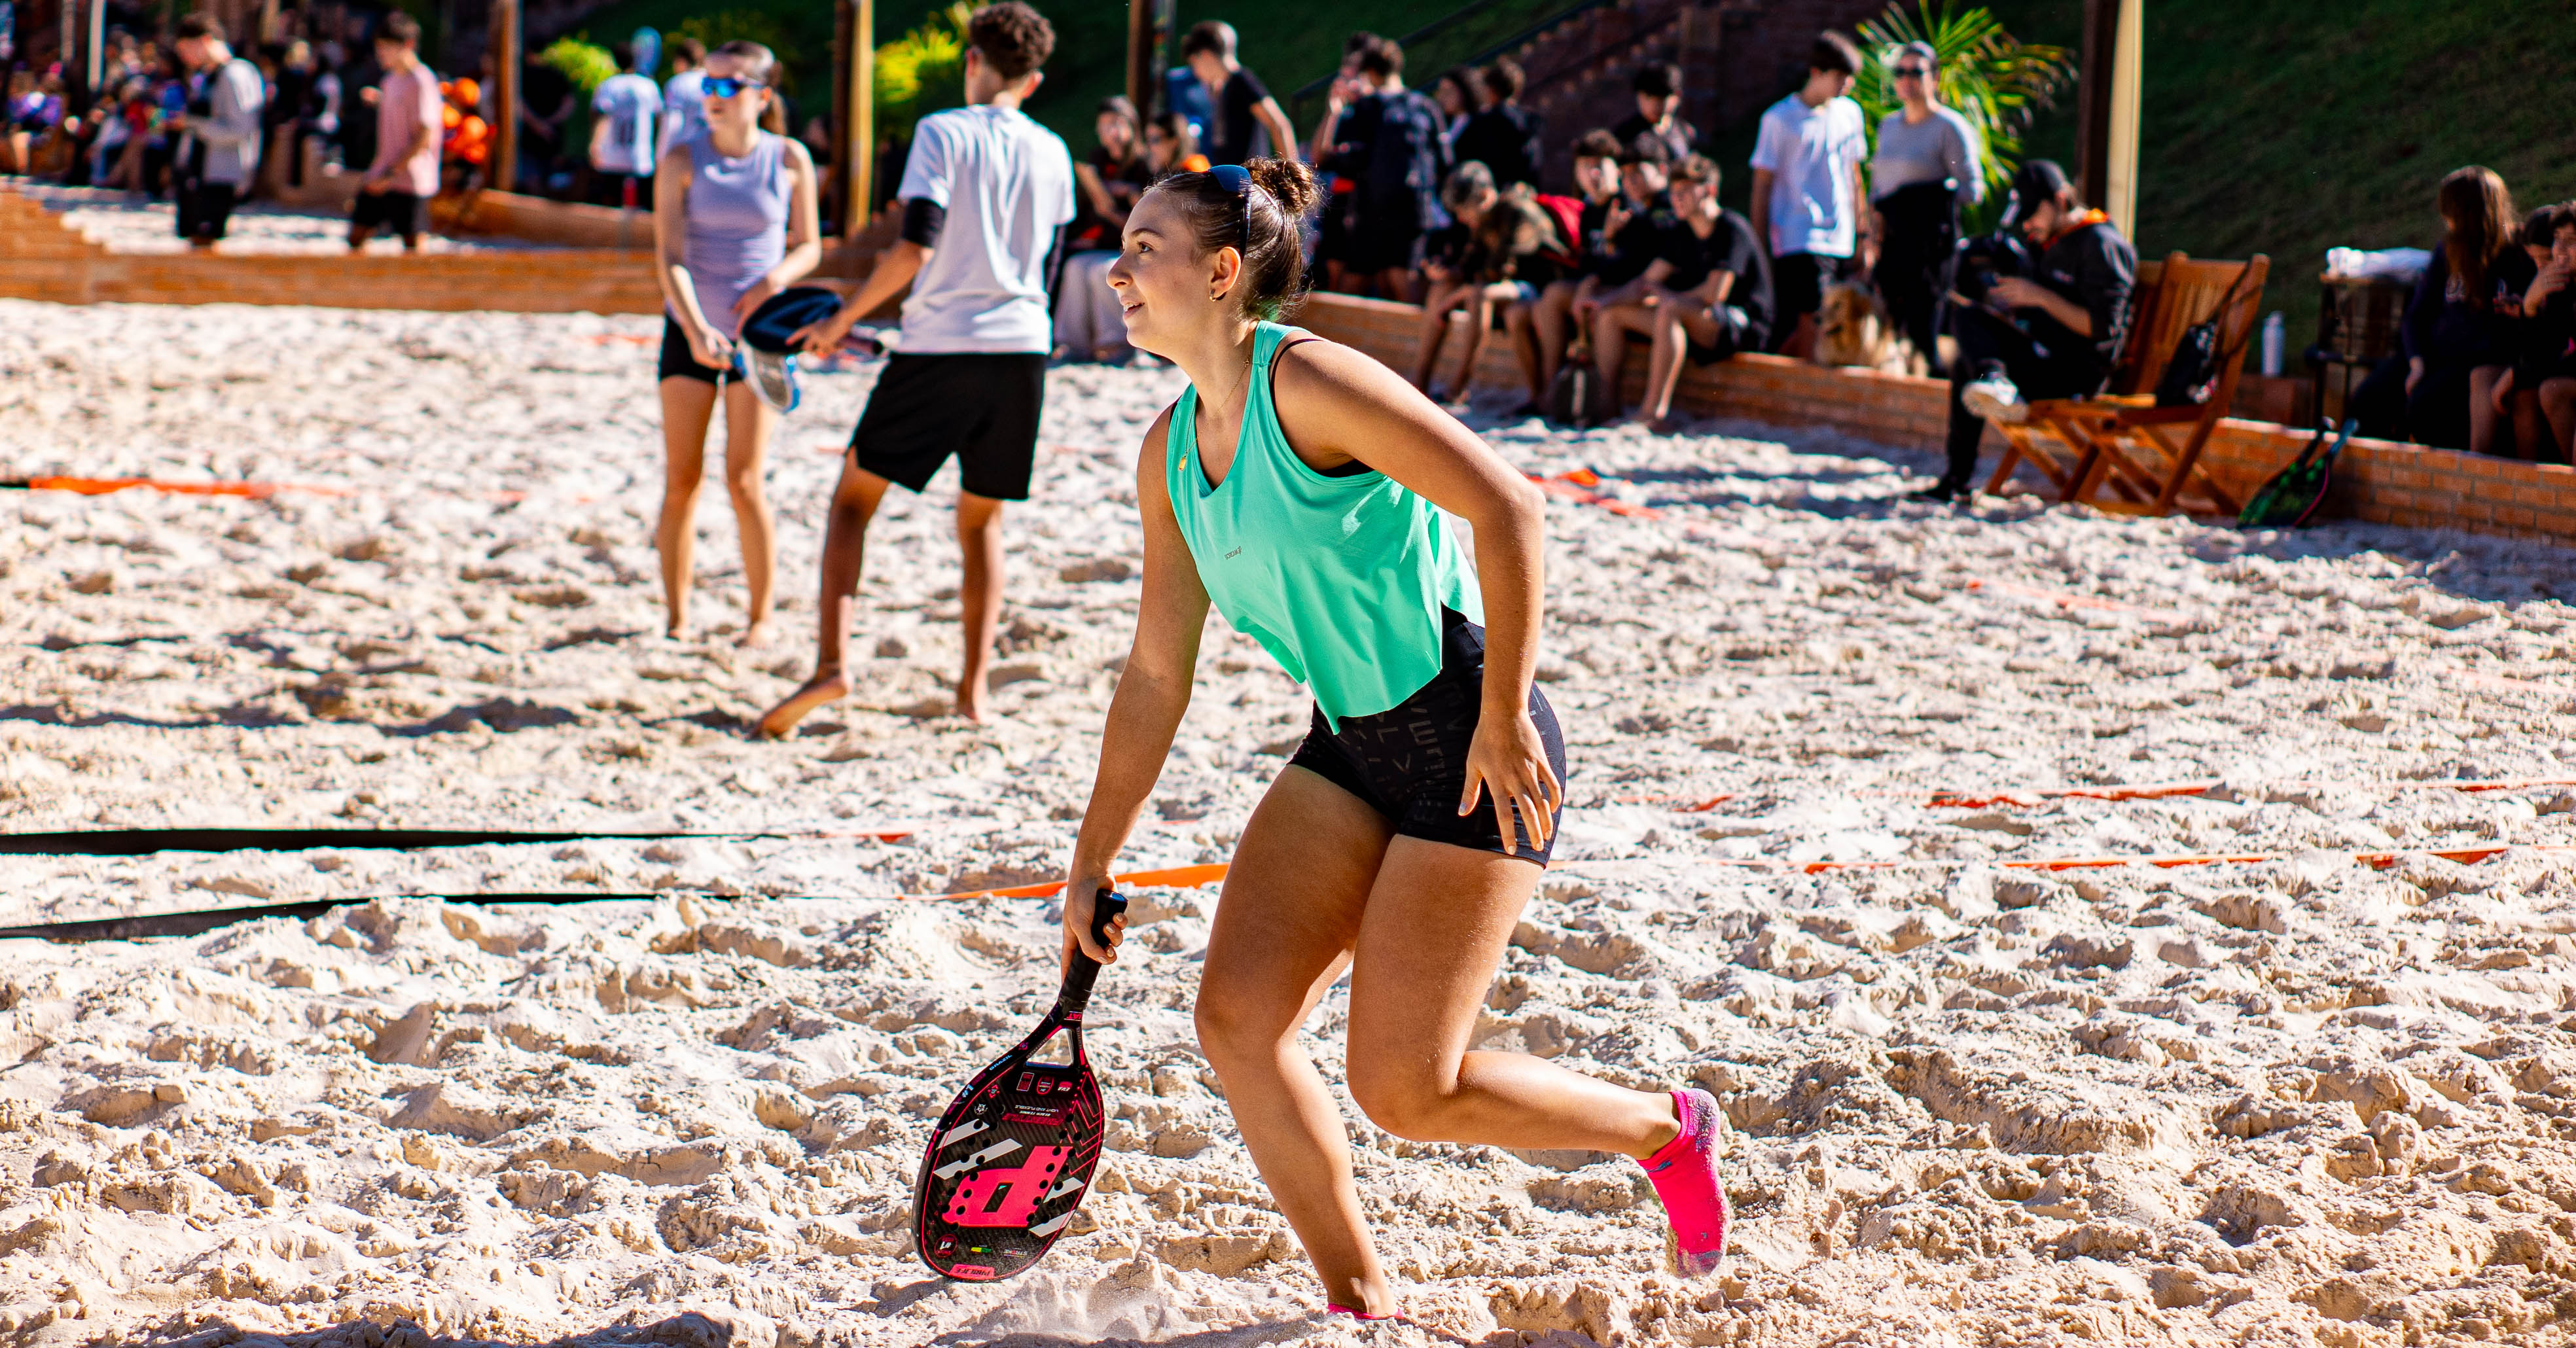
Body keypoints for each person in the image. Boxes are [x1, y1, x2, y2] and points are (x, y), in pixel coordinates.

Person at [1065, 155, 1732, 1320]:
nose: (1116, 273)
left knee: (1408, 1091)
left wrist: (1506, 713)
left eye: (1143, 250)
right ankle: (1359, 1305)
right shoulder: (1168, 453)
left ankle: (1665, 1131)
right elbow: (1157, 671)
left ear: (1221, 274)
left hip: (1473, 737)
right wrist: (1093, 856)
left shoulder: (1310, 382)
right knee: (1236, 1023)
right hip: (1350, 747)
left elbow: (1509, 507)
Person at [759, 2, 1074, 735]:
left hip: (941, 343)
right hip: (1023, 347)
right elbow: (1050, 263)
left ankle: (832, 665)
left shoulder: (943, 131)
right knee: (982, 521)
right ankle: (973, 692)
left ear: (972, 62)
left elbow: (915, 246)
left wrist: (841, 320)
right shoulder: (1054, 149)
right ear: (1032, 80)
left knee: (851, 502)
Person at [649, 41, 819, 647]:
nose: (713, 97)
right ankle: (677, 620)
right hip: (690, 329)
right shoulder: (681, 158)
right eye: (707, 84)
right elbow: (668, 257)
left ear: (762, 95)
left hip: (762, 338)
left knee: (745, 481)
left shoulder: (789, 157)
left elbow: (810, 245)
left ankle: (761, 618)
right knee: (682, 479)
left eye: (728, 85)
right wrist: (696, 327)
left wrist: (775, 280)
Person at [1914, 160, 2135, 502]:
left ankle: (1989, 398)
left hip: (2076, 374)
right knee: (1968, 320)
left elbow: (2103, 328)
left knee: (1969, 359)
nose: (2028, 225)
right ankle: (1960, 468)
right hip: (2042, 354)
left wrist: (2040, 297)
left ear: (2060, 200)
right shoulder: (2048, 241)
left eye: (2033, 215)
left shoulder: (2102, 245)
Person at [1591, 153, 1770, 431]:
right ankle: (1605, 410)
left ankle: (1653, 413)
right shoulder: (1682, 231)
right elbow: (1646, 283)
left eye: (1685, 191)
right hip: (1694, 317)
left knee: (1670, 309)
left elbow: (1715, 294)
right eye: (1674, 192)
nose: (1676, 199)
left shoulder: (1732, 228)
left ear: (1710, 190)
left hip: (1743, 325)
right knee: (1612, 315)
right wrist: (1602, 302)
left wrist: (1666, 296)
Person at [2393, 167, 2535, 457]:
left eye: (2452, 210)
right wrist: (2417, 363)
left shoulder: (2519, 253)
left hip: (2484, 361)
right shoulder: (2448, 251)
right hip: (2438, 357)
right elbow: (2416, 315)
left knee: (2427, 406)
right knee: (2372, 396)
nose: (2446, 219)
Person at [1749, 32, 1868, 359]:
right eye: (1840, 77)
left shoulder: (1850, 114)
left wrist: (1862, 234)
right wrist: (1759, 246)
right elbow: (1762, 186)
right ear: (1816, 72)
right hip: (1799, 237)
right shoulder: (1779, 119)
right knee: (1810, 322)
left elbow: (1854, 176)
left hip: (1841, 237)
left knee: (1837, 323)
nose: (1847, 85)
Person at [1867, 40, 1984, 371]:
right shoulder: (1888, 126)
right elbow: (1877, 188)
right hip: (1892, 244)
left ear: (1934, 76)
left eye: (1916, 72)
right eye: (1900, 72)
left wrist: (1924, 197)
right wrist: (1870, 238)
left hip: (1930, 248)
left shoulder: (1948, 127)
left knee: (1923, 331)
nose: (1907, 80)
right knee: (1889, 329)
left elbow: (1971, 189)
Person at [1410, 162, 1564, 406]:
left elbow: (1498, 270)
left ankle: (1458, 387)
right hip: (1506, 289)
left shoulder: (1517, 211)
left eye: (1464, 210)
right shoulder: (1484, 217)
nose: (1461, 218)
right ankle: (1419, 385)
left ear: (1484, 196)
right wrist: (1446, 272)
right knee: (1443, 287)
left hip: (1541, 288)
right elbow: (1472, 265)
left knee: (1479, 295)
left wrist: (1457, 296)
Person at [1316, 38, 1448, 302]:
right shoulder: (1426, 107)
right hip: (1414, 212)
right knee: (1403, 282)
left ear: (1370, 73)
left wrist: (1334, 111)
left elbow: (1325, 158)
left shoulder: (1366, 108)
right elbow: (1446, 163)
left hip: (1371, 214)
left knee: (1354, 284)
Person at [1516, 128, 1626, 412]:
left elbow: (1629, 267)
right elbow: (1586, 264)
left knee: (1559, 296)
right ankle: (1548, 393)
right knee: (1540, 303)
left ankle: (1560, 396)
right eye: (1585, 167)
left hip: (1622, 292)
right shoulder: (1589, 211)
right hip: (1593, 289)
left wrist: (1593, 278)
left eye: (1599, 166)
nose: (1593, 175)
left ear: (1617, 169)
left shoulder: (1626, 207)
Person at [1057, 95, 1151, 363]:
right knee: (1075, 266)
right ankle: (1073, 343)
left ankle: (1116, 343)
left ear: (1131, 125)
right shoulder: (1098, 161)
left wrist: (1118, 203)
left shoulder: (1143, 164)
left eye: (1116, 124)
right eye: (1104, 126)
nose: (1110, 133)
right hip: (1106, 244)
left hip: (1134, 249)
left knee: (1102, 270)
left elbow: (1147, 225)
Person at [168, 14, 264, 249]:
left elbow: (241, 128)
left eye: (185, 49)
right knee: (193, 244)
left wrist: (193, 125)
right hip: (198, 174)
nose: (183, 57)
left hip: (220, 176)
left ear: (205, 40)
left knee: (206, 248)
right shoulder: (206, 76)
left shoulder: (235, 74)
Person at [347, 12, 437, 251]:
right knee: (356, 238)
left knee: (413, 248)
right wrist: (380, 100)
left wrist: (391, 173)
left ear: (408, 45)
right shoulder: (389, 80)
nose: (381, 54)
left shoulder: (422, 80)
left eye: (386, 47)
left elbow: (424, 135)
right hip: (381, 172)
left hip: (409, 178)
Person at [2497, 204, 2576, 462]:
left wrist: (2516, 373)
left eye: (2570, 241)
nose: (2559, 250)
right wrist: (2530, 306)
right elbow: (2542, 352)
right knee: (2541, 391)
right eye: (2557, 240)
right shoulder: (2561, 288)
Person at [1179, 20, 1297, 169]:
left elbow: (1279, 124)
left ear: (1206, 55)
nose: (1196, 72)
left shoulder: (1242, 81)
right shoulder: (1224, 87)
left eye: (1194, 64)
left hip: (1247, 177)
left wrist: (1291, 173)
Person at [590, 43, 662, 209]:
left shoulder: (608, 85)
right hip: (640, 158)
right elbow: (659, 118)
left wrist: (595, 145)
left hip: (611, 157)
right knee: (640, 208)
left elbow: (603, 118)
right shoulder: (648, 86)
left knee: (611, 207)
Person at [1454, 59, 1543, 191]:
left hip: (1497, 193)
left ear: (1491, 89)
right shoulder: (1529, 120)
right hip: (1528, 192)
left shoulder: (1481, 124)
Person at [1610, 62, 1692, 165]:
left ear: (1677, 96)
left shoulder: (1685, 131)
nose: (1655, 105)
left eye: (1662, 98)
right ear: (1638, 96)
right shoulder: (1625, 135)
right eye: (1649, 97)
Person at [660, 37, 707, 157]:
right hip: (710, 151)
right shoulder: (711, 81)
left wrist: (662, 155)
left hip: (685, 153)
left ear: (681, 61)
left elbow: (672, 123)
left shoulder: (678, 83)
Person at [1145, 110, 1209, 179]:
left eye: (1155, 140)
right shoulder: (1167, 171)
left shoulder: (1195, 169)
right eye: (1147, 140)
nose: (1149, 147)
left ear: (1174, 141)